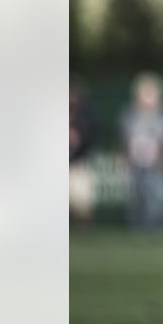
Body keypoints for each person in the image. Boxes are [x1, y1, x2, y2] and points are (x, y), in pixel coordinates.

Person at [119, 72, 163, 232]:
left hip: (155, 165)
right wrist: (123, 162)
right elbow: (124, 141)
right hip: (135, 165)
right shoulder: (129, 116)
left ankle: (158, 232)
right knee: (137, 201)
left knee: (157, 201)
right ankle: (138, 232)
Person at [69, 80, 97, 232]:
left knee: (81, 203)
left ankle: (83, 231)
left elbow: (85, 138)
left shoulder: (83, 116)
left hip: (77, 164)